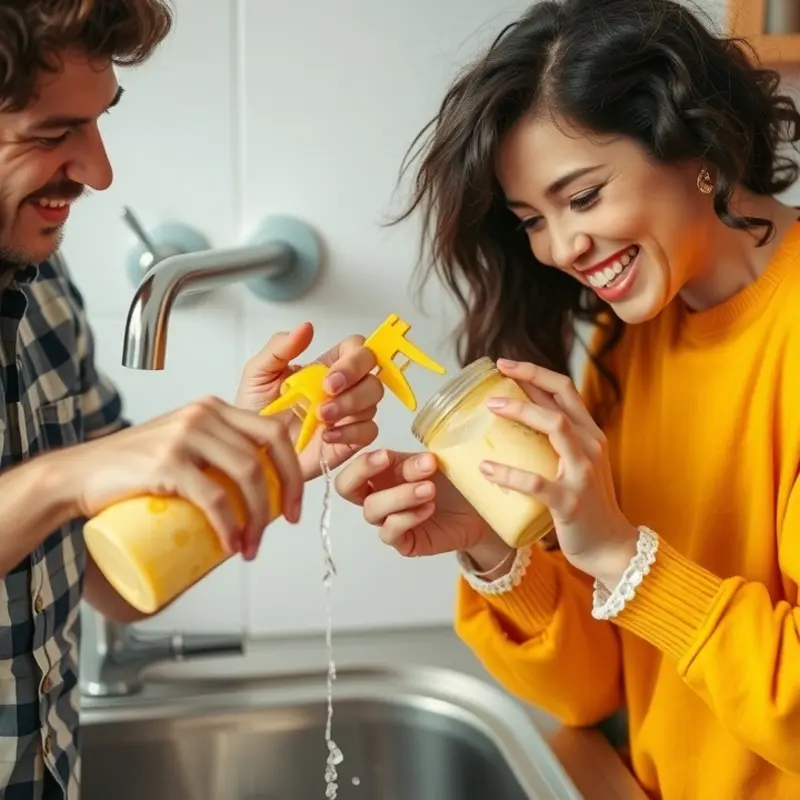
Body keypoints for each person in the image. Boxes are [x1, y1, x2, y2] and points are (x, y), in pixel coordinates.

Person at [335, 0, 800, 797]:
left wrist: (624, 554)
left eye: (582, 197)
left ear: (700, 146)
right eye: (531, 221)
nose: (560, 248)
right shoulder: (635, 334)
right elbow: (593, 690)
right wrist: (491, 544)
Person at [0, 1, 383, 798]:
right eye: (50, 134)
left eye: (99, 122)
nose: (100, 171)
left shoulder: (42, 292)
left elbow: (115, 580)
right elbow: (67, 488)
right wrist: (60, 480)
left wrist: (263, 453)